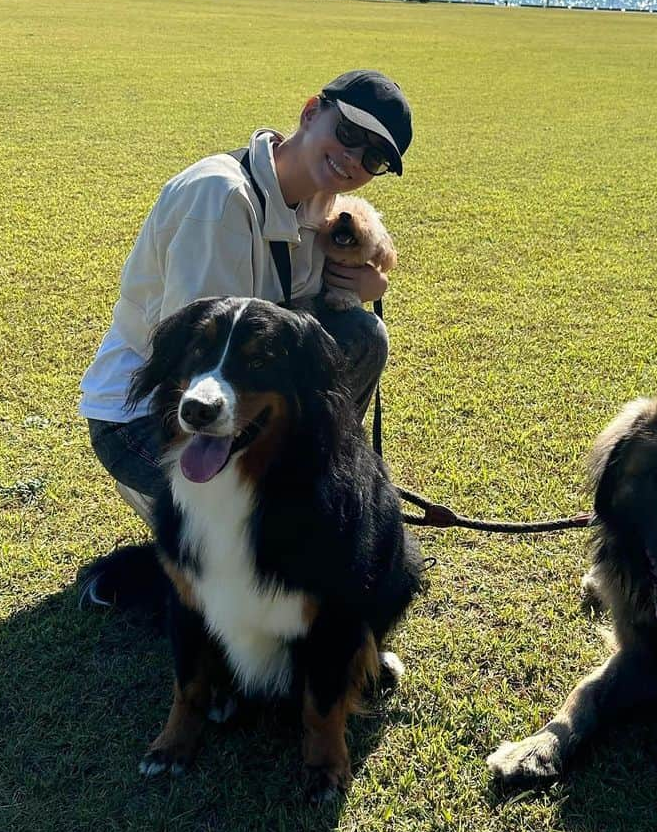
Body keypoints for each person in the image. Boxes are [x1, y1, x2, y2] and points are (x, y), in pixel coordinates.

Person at [79, 69, 412, 535]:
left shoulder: (323, 203)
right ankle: (199, 529)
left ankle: (303, 482)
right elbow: (198, 353)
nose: (353, 158)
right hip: (152, 414)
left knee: (361, 333)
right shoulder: (218, 196)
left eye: (372, 157)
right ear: (311, 111)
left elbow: (294, 333)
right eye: (348, 134)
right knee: (249, 544)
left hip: (235, 400)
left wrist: (361, 288)